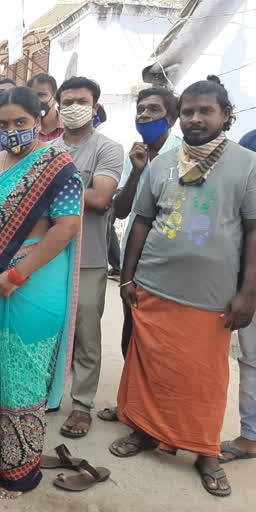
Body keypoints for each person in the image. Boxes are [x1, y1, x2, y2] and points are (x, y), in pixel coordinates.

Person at [112, 76, 256, 498]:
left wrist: (248, 294)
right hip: (154, 286)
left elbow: (253, 231)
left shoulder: (247, 164)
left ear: (226, 116)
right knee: (148, 368)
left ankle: (205, 452)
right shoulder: (163, 163)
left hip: (211, 296)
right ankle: (143, 431)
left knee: (205, 379)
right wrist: (127, 275)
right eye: (189, 111)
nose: (195, 118)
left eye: (205, 110)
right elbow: (140, 221)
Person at [0, 86, 82, 499]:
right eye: (4, 124)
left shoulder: (59, 167)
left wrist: (18, 274)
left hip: (33, 285)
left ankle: (18, 469)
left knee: (20, 374)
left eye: (21, 123)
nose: (12, 130)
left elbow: (66, 227)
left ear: (40, 119)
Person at [95, 88, 180, 421]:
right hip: (136, 262)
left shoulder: (180, 156)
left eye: (153, 110)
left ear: (171, 119)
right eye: (140, 110)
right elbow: (120, 210)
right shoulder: (139, 154)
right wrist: (137, 170)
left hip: (166, 264)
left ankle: (153, 414)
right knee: (131, 336)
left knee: (159, 344)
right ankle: (129, 405)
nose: (144, 116)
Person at [50, 76, 123, 438]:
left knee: (86, 334)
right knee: (48, 327)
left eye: (81, 101)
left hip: (89, 256)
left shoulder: (107, 149)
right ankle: (47, 395)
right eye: (67, 101)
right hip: (46, 255)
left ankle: (81, 406)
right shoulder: (47, 147)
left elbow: (100, 199)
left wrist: (49, 191)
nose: (73, 107)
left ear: (94, 107)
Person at [219, 128, 256, 463]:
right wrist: (246, 289)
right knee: (252, 359)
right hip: (250, 272)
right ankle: (250, 436)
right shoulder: (250, 144)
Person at [27, 73, 63, 143]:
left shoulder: (68, 128)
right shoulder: (25, 130)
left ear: (54, 98)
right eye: (32, 95)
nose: (36, 100)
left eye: (42, 95)